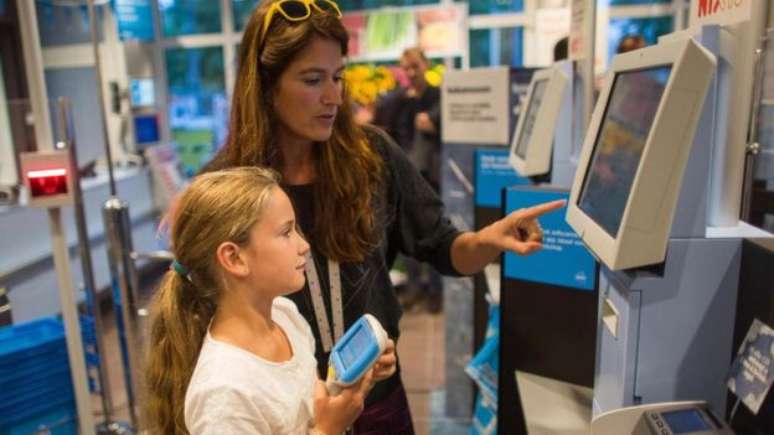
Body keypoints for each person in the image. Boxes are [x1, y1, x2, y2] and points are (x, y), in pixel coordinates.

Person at [203, 1, 565, 432]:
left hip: (378, 405)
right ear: (265, 86)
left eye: (337, 76)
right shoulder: (229, 188)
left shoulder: (371, 158)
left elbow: (445, 248)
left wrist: (490, 239)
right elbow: (216, 319)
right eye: (312, 79)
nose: (333, 96)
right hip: (290, 417)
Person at [143, 167, 397, 434]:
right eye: (286, 232)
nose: (304, 245)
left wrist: (351, 385)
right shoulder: (224, 393)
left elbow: (303, 408)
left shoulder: (285, 315)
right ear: (234, 258)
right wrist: (326, 430)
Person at [372, 47, 444, 312]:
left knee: (434, 233)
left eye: (415, 66)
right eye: (406, 67)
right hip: (402, 178)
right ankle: (415, 289)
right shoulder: (398, 100)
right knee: (407, 235)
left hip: (431, 177)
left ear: (426, 65)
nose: (411, 72)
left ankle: (435, 291)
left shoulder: (437, 96)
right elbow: (383, 126)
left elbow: (434, 124)